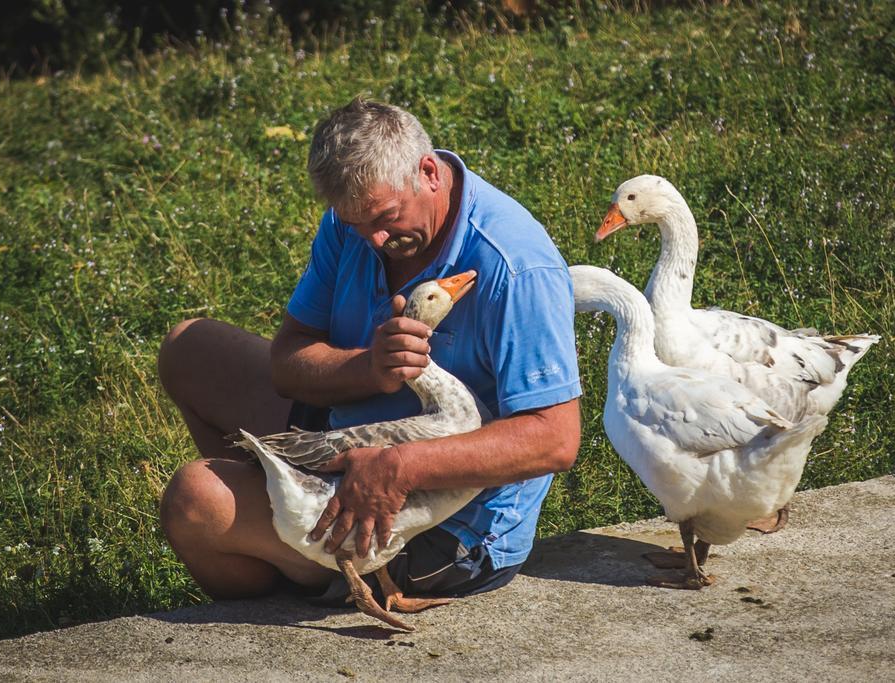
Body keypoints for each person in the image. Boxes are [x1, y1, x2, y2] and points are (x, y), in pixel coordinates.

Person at [157, 97, 581, 605]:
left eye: (385, 217)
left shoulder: (515, 266)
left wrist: (398, 468)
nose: (374, 239)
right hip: (351, 435)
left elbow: (554, 441)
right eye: (356, 224)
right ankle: (293, 534)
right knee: (191, 348)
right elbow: (289, 362)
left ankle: (295, 569)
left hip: (441, 524)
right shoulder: (356, 221)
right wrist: (370, 369)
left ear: (428, 172)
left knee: (194, 500)